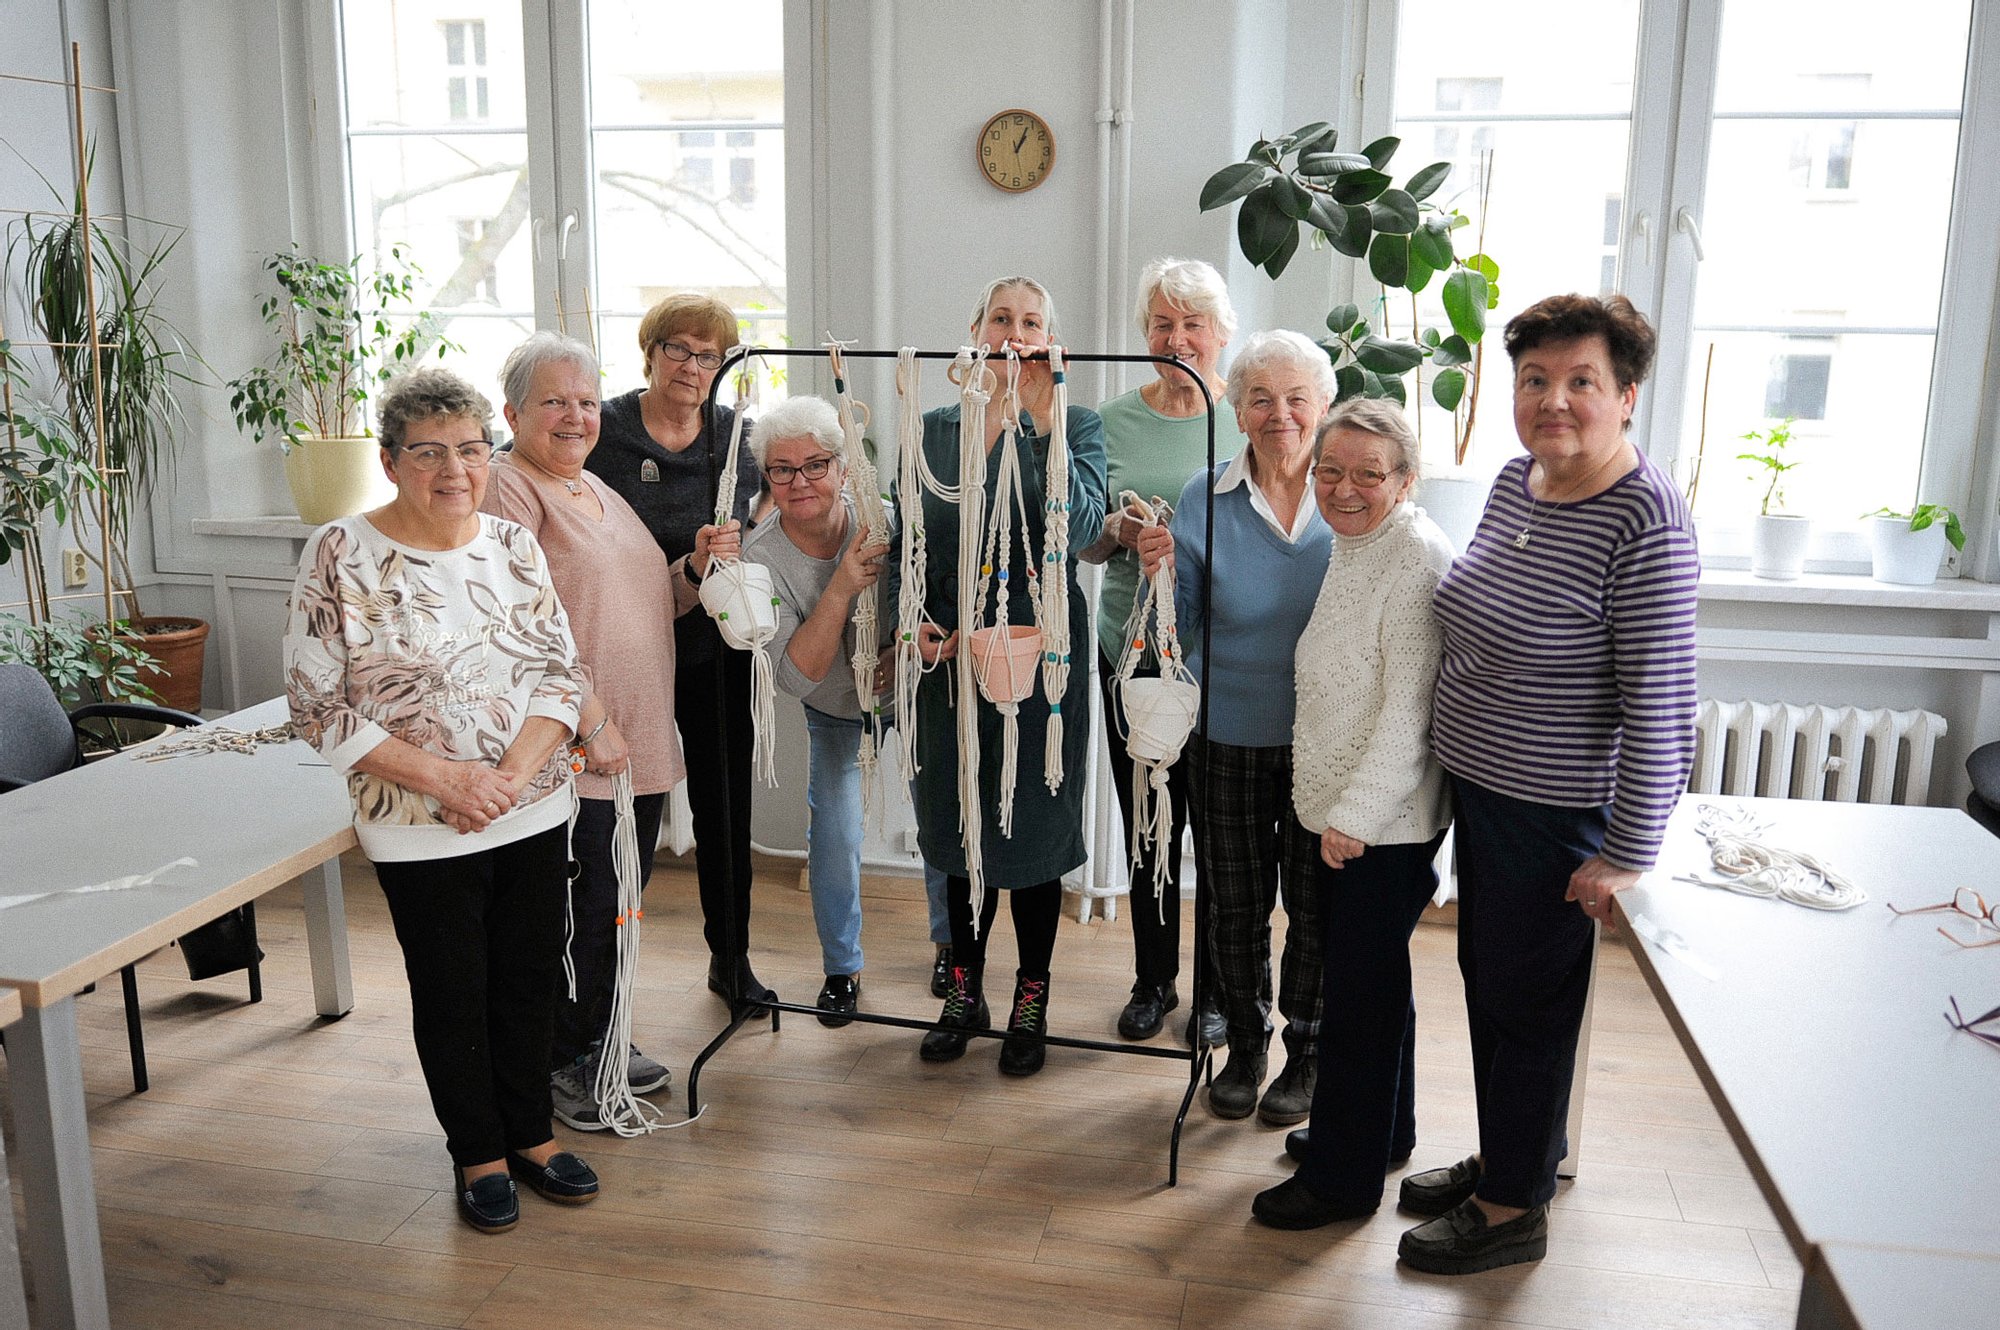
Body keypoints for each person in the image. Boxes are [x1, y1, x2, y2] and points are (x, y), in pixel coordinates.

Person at [1396, 294, 1698, 1275]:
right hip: (1483, 794)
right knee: (1490, 984)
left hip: (1558, 810)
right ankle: (1517, 1153)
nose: (1553, 400)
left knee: (1523, 1001)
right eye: (1534, 379)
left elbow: (1659, 701)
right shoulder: (1516, 480)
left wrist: (1625, 853)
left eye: (1580, 381)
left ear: (1625, 395)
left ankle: (1507, 1207)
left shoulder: (1644, 518)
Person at [284, 365, 598, 1233]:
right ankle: (479, 1154)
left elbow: (556, 676)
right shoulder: (340, 552)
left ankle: (532, 1136)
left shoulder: (513, 546)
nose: (454, 469)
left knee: (529, 979)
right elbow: (317, 707)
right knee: (453, 989)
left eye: (470, 449)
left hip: (530, 806)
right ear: (391, 462)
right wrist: (451, 781)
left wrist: (502, 781)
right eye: (428, 452)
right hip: (416, 823)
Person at [482, 331, 716, 1130]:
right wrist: (593, 719)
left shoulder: (598, 491)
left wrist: (696, 570)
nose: (577, 416)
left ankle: (603, 1039)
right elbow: (521, 627)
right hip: (577, 747)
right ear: (513, 411)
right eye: (555, 401)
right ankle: (567, 1059)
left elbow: (657, 598)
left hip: (636, 742)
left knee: (619, 904)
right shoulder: (509, 490)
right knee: (580, 910)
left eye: (586, 401)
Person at [1241, 399, 1455, 1228]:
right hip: (1350, 811)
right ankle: (1380, 1133)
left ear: (1405, 479)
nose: (1345, 487)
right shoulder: (1358, 546)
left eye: (1370, 473)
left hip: (1381, 823)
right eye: (1330, 470)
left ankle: (1342, 1181)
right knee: (1376, 982)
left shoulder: (1413, 561)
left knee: (1357, 1000)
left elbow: (1410, 711)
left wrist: (1354, 815)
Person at [891, 276, 1107, 1076]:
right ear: (973, 330)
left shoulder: (1076, 424)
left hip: (1042, 653)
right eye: (1001, 319)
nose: (1014, 334)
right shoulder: (935, 428)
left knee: (1035, 821)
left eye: (1032, 323)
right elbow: (907, 534)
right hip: (949, 654)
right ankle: (964, 987)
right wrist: (910, 622)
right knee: (958, 821)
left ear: (1052, 341)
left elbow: (1085, 531)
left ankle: (1032, 993)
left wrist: (1044, 415)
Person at [1136, 328, 1333, 1127]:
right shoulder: (1202, 496)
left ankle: (1308, 1053)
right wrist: (1159, 578)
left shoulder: (1351, 488)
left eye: (1296, 398)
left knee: (1316, 909)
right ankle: (1246, 1047)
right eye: (1261, 398)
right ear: (1237, 409)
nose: (1279, 414)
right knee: (1237, 906)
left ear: (1322, 406)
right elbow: (1172, 633)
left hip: (1326, 742)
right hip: (1225, 735)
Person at [585, 293, 771, 1015]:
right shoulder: (601, 430)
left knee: (727, 811)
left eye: (710, 355)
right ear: (651, 350)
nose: (694, 366)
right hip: (626, 651)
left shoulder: (738, 437)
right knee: (628, 810)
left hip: (715, 651)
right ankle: (603, 974)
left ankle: (732, 959)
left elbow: (770, 508)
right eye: (680, 349)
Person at [1079, 256, 1241, 1047]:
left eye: (1193, 324)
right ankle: (1154, 980)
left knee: (1217, 834)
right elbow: (1083, 540)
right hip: (1132, 651)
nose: (1177, 338)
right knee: (1150, 824)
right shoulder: (1107, 420)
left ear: (1221, 333)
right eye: (1162, 324)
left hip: (1228, 659)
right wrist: (1122, 529)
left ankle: (1215, 989)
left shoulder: (1248, 417)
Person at [741, 395, 889, 1027]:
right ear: (767, 477)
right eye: (782, 469)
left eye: (815, 464)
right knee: (835, 830)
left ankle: (949, 950)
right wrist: (841, 586)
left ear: (843, 470)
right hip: (830, 705)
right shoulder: (760, 561)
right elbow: (795, 677)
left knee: (941, 811)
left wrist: (911, 649)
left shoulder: (883, 520)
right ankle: (841, 969)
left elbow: (926, 599)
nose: (799, 481)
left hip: (912, 689)